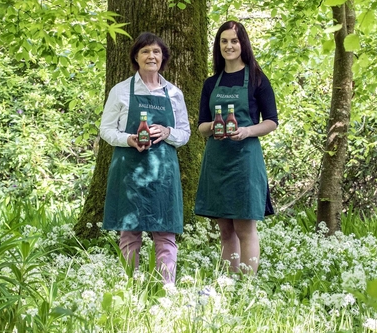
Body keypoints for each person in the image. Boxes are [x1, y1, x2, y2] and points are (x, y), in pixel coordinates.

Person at [100, 32, 191, 285]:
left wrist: (168, 131)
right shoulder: (120, 91)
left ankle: (166, 289)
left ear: (163, 58)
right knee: (129, 232)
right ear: (136, 57)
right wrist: (129, 139)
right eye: (145, 51)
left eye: (156, 52)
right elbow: (106, 130)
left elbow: (185, 134)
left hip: (164, 172)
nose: (151, 56)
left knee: (166, 232)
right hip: (129, 170)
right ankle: (131, 287)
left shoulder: (174, 94)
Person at [195, 20, 278, 274]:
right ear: (218, 46)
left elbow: (272, 121)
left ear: (243, 44)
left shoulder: (257, 79)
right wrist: (214, 126)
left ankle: (247, 286)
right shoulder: (211, 83)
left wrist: (247, 131)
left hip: (245, 161)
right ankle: (229, 283)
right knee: (225, 229)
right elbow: (200, 126)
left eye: (234, 40)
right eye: (224, 41)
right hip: (217, 160)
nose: (229, 46)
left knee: (245, 228)